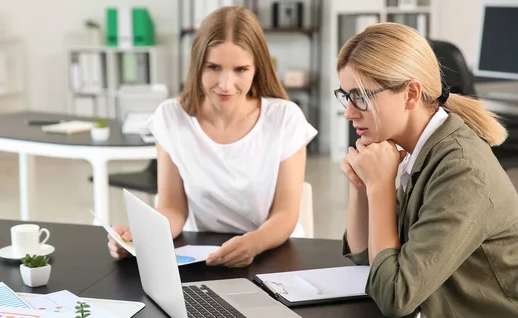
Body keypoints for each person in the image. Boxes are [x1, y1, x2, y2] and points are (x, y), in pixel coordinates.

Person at [107, 6, 317, 268]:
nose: (226, 84)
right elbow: (172, 208)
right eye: (214, 67)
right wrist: (142, 238)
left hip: (273, 252)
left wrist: (252, 243)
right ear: (197, 66)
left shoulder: (285, 118)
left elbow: (286, 214)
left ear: (257, 69)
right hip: (203, 256)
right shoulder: (171, 117)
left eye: (240, 69)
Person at [337, 22, 518, 318]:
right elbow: (367, 261)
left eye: (362, 97)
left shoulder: (461, 170)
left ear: (410, 94)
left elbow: (394, 295)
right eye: (345, 95)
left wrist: (380, 188)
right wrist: (361, 186)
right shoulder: (414, 151)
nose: (349, 112)